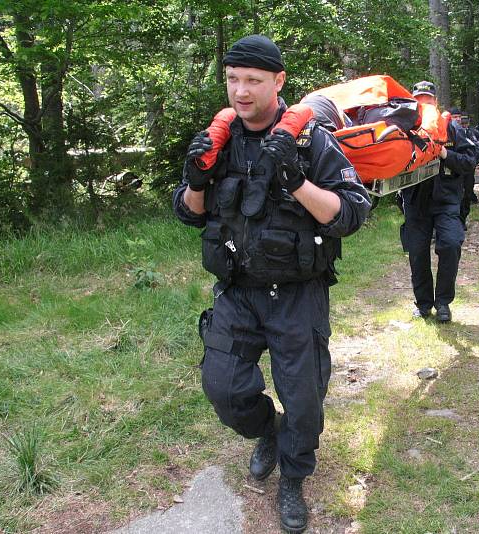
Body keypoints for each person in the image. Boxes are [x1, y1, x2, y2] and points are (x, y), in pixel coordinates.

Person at [173, 35, 371, 532]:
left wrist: (296, 182)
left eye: (253, 81)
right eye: (233, 80)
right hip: (237, 291)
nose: (241, 92)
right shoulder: (218, 139)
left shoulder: (312, 142)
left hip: (297, 294)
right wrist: (196, 182)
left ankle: (293, 476)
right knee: (224, 390)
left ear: (279, 81)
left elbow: (351, 213)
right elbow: (190, 215)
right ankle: (268, 433)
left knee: (304, 401)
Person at [399, 82, 479, 322]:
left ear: (435, 102)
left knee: (451, 244)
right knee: (417, 252)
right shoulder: (404, 129)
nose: (424, 103)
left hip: (446, 202)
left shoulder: (451, 129)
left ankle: (443, 302)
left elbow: (469, 161)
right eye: (419, 99)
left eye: (428, 99)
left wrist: (444, 154)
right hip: (416, 203)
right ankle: (423, 304)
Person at [448, 107, 479, 227]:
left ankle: (462, 219)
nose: (458, 119)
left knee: (467, 194)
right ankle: (454, 221)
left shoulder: (473, 132)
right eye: (455, 117)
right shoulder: (447, 132)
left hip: (468, 169)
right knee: (455, 194)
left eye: (459, 117)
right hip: (453, 170)